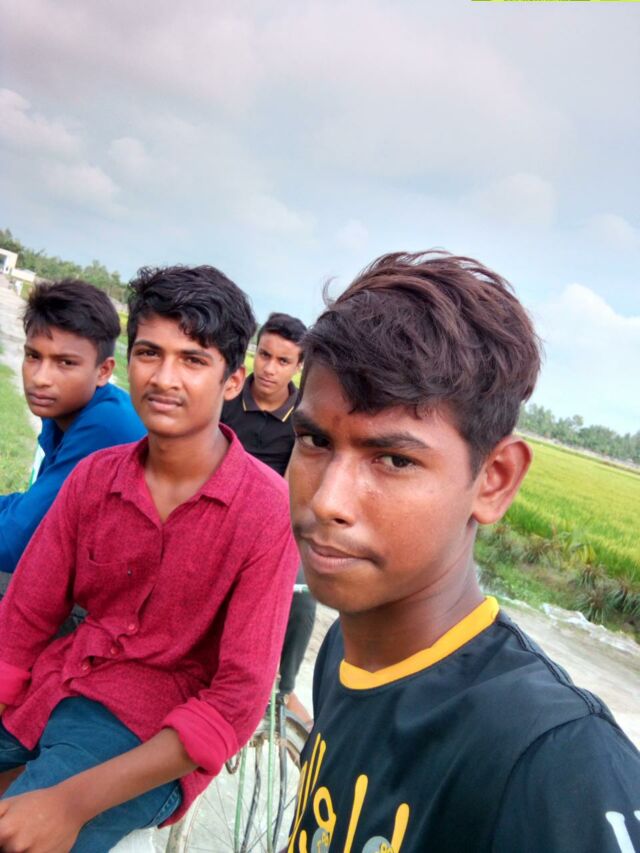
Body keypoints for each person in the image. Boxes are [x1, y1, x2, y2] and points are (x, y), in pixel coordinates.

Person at [286, 251, 640, 853]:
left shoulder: (557, 765)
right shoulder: (344, 649)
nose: (327, 501)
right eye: (315, 440)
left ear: (494, 480)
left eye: (394, 459)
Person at [0, 265, 299, 851]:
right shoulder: (95, 477)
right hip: (54, 684)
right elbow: (26, 615)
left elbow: (236, 699)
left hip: (146, 733)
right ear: (127, 362)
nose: (164, 378)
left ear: (232, 382)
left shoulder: (266, 512)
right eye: (149, 353)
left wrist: (70, 804)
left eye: (193, 360)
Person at [0, 279, 145, 576]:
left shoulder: (107, 425)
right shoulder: (66, 411)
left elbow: (12, 546)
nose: (40, 378)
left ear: (103, 371)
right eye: (33, 356)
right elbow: (30, 508)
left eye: (65, 362)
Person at [221, 312, 316, 725]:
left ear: (298, 367)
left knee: (303, 593)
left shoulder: (305, 418)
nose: (269, 368)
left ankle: (284, 688)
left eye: (282, 361)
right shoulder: (226, 397)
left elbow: (298, 486)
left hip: (274, 518)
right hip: (218, 506)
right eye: (264, 355)